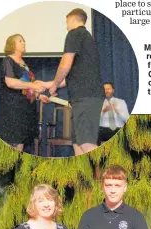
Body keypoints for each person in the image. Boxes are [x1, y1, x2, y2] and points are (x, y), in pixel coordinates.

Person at [48, 8, 104, 156]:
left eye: (66, 22)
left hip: (85, 99)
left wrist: (53, 85)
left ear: (72, 20)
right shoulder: (86, 38)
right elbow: (74, 74)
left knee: (86, 143)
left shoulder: (74, 33)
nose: (66, 26)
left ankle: (104, 176)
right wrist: (49, 83)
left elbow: (65, 65)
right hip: (85, 99)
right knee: (78, 145)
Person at [0, 34, 50, 152]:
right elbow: (10, 82)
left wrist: (38, 95)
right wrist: (33, 85)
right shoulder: (8, 60)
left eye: (24, 41)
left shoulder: (24, 63)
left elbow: (26, 88)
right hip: (14, 110)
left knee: (21, 144)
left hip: (26, 109)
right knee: (14, 143)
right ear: (12, 44)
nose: (23, 43)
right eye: (20, 41)